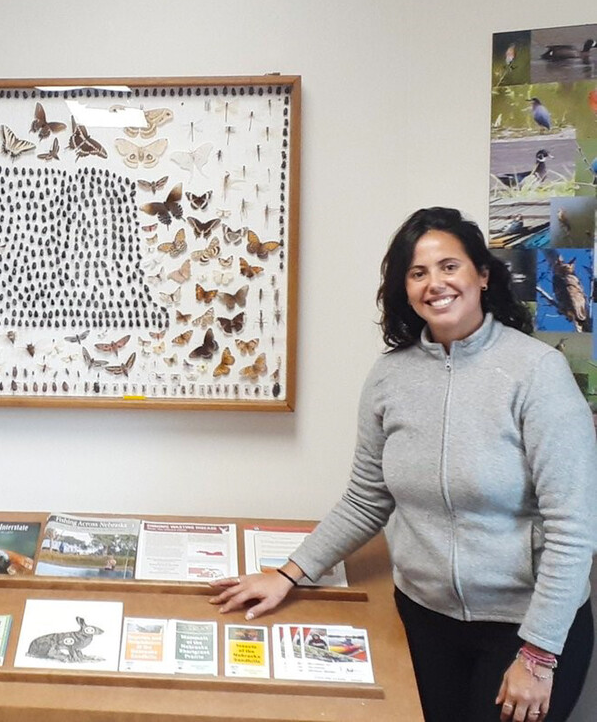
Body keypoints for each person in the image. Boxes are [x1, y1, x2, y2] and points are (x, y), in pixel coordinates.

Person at [210, 207, 597, 722]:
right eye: (417, 273)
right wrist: (290, 573)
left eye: (449, 266)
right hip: (424, 620)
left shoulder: (537, 374)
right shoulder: (390, 377)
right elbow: (366, 497)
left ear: (483, 275)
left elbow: (574, 528)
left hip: (524, 627)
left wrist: (539, 654)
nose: (434, 283)